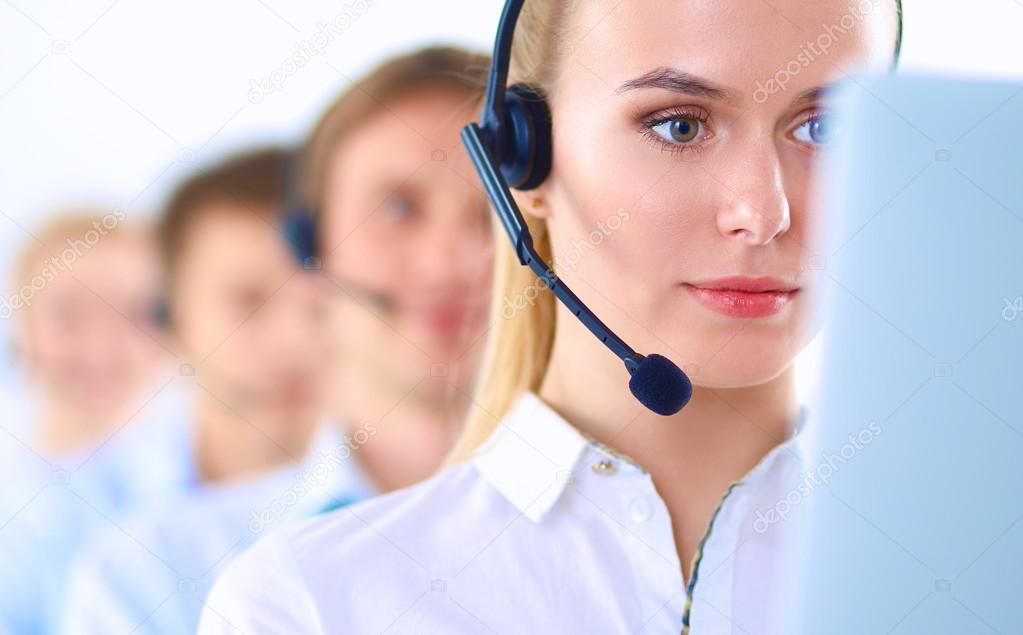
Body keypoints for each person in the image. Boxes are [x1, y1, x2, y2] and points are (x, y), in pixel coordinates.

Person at [199, 3, 906, 628]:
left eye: (826, 127)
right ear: (523, 159)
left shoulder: (982, 561)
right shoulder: (312, 603)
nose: (761, 212)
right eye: (680, 126)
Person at [61, 147, 357, 635]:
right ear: (169, 317)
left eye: (319, 300)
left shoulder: (412, 495)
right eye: (249, 301)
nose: (296, 340)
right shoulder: (78, 520)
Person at [295, 44, 493, 494]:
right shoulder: (163, 561)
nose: (450, 265)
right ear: (310, 245)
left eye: (494, 213)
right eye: (399, 208)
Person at [0, 210, 179, 635]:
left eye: (135, 314)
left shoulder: (206, 488)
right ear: (21, 332)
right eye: (69, 315)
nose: (101, 347)